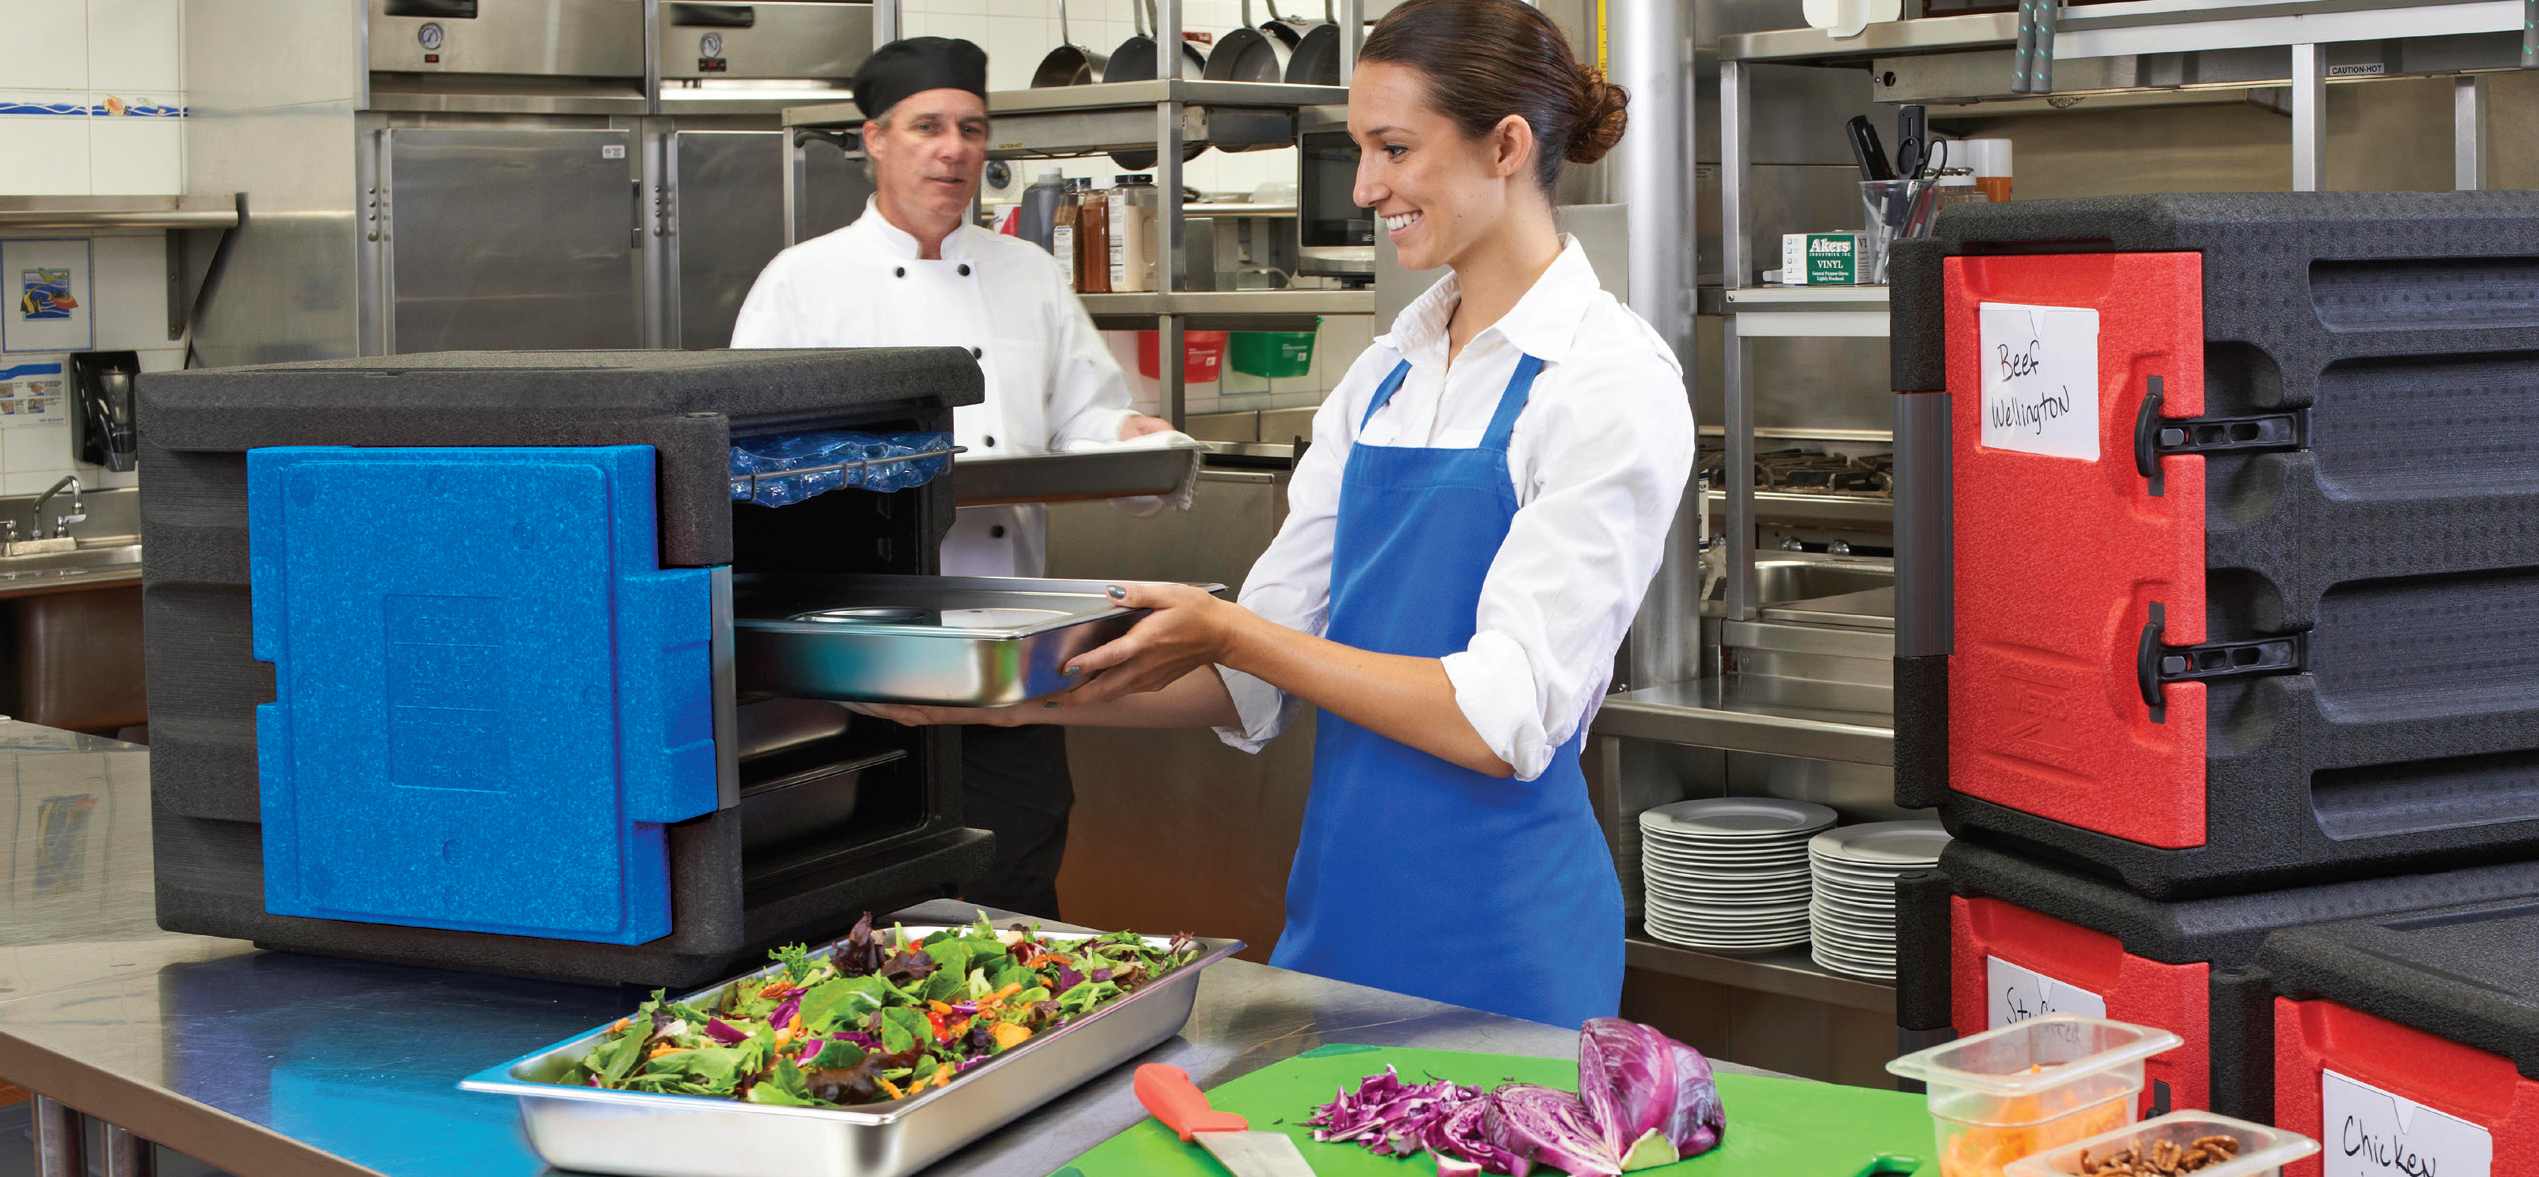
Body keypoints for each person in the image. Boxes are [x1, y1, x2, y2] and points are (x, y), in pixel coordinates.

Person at [856, 0, 1690, 1028]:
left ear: (1506, 146)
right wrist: (1003, 700)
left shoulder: (1604, 380)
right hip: (1337, 916)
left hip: (1503, 941)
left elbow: (1500, 718)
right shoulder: (1386, 375)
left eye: (1393, 148)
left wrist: (1235, 631)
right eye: (1358, 149)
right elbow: (1253, 678)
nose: (1364, 186)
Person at [732, 36, 1174, 920]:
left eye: (971, 128)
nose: (954, 148)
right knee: (862, 882)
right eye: (928, 126)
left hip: (1011, 650)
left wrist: (1129, 433)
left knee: (1016, 872)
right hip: (864, 651)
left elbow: (1080, 417)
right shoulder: (803, 282)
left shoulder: (1028, 272)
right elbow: (752, 470)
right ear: (875, 140)